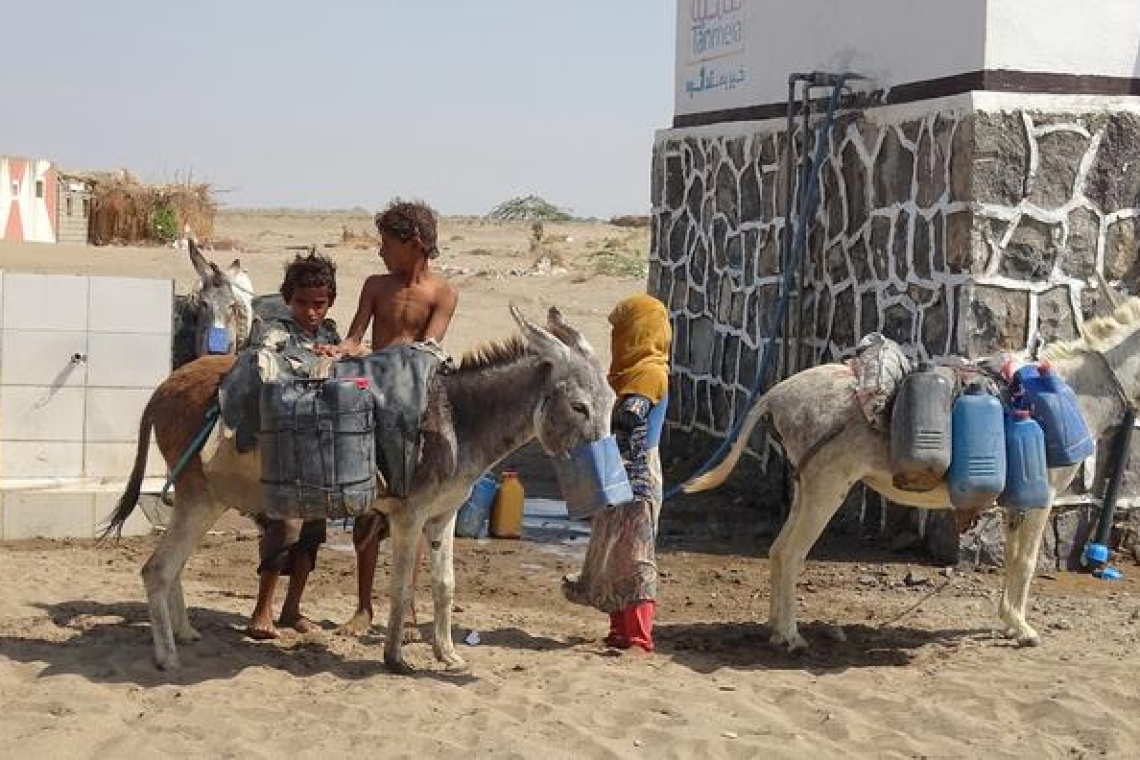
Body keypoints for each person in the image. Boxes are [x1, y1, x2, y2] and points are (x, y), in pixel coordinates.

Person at [330, 199, 459, 635]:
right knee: (367, 507)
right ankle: (364, 606)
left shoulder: (443, 293)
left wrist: (383, 361)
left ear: (414, 244)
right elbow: (354, 336)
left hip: (413, 399)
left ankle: (403, 607)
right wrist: (342, 351)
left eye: (387, 243)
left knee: (412, 511)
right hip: (374, 394)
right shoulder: (374, 285)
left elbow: (426, 350)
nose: (381, 252)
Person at [562, 293, 672, 653]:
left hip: (637, 476)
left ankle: (638, 636)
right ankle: (619, 632)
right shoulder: (624, 374)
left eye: (622, 330)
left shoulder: (649, 373)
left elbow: (630, 416)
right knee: (610, 552)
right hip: (614, 471)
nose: (617, 339)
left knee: (635, 555)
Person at [247, 251, 342, 640]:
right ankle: (262, 608)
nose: (311, 312)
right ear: (289, 299)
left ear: (329, 302)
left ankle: (292, 608)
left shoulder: (331, 335)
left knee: (312, 532)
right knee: (283, 527)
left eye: (318, 304)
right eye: (302, 303)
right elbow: (265, 369)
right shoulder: (274, 333)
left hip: (319, 449)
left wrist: (340, 356)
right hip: (282, 446)